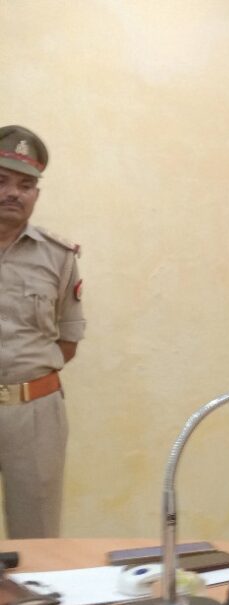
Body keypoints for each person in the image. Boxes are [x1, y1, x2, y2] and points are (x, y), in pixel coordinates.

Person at [0, 125, 85, 538]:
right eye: (1, 180)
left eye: (25, 185)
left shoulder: (58, 256)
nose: (12, 193)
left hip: (34, 412)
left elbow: (67, 341)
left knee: (38, 541)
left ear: (36, 193)